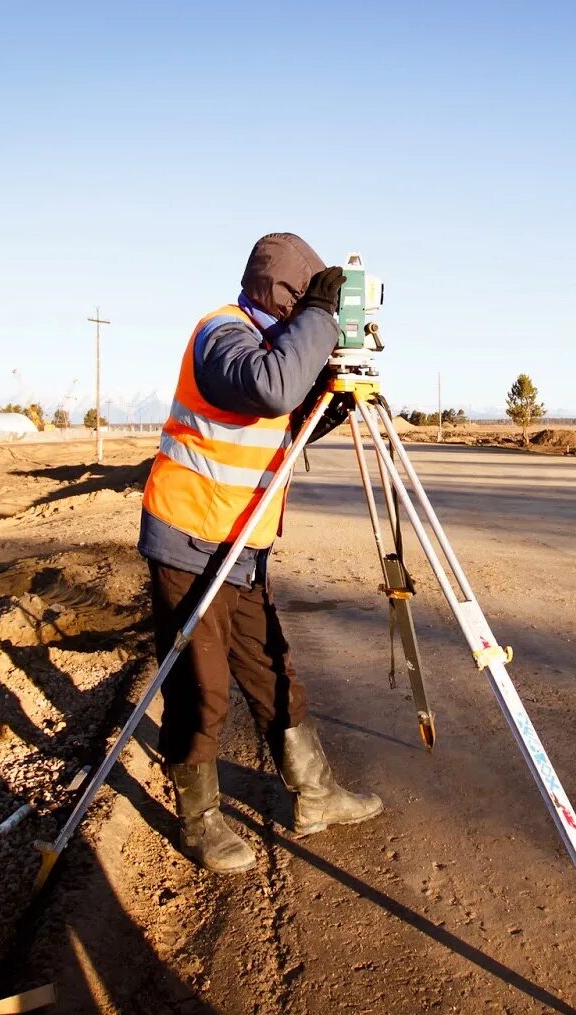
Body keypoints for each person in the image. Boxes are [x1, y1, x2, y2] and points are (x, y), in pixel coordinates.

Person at [138, 232, 382, 874]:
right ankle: (200, 820)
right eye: (308, 302)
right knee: (202, 686)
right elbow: (271, 390)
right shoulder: (222, 334)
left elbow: (289, 419)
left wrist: (341, 393)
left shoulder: (273, 346)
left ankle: (317, 795)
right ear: (288, 293)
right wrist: (324, 321)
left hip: (241, 545)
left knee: (273, 669)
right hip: (189, 541)